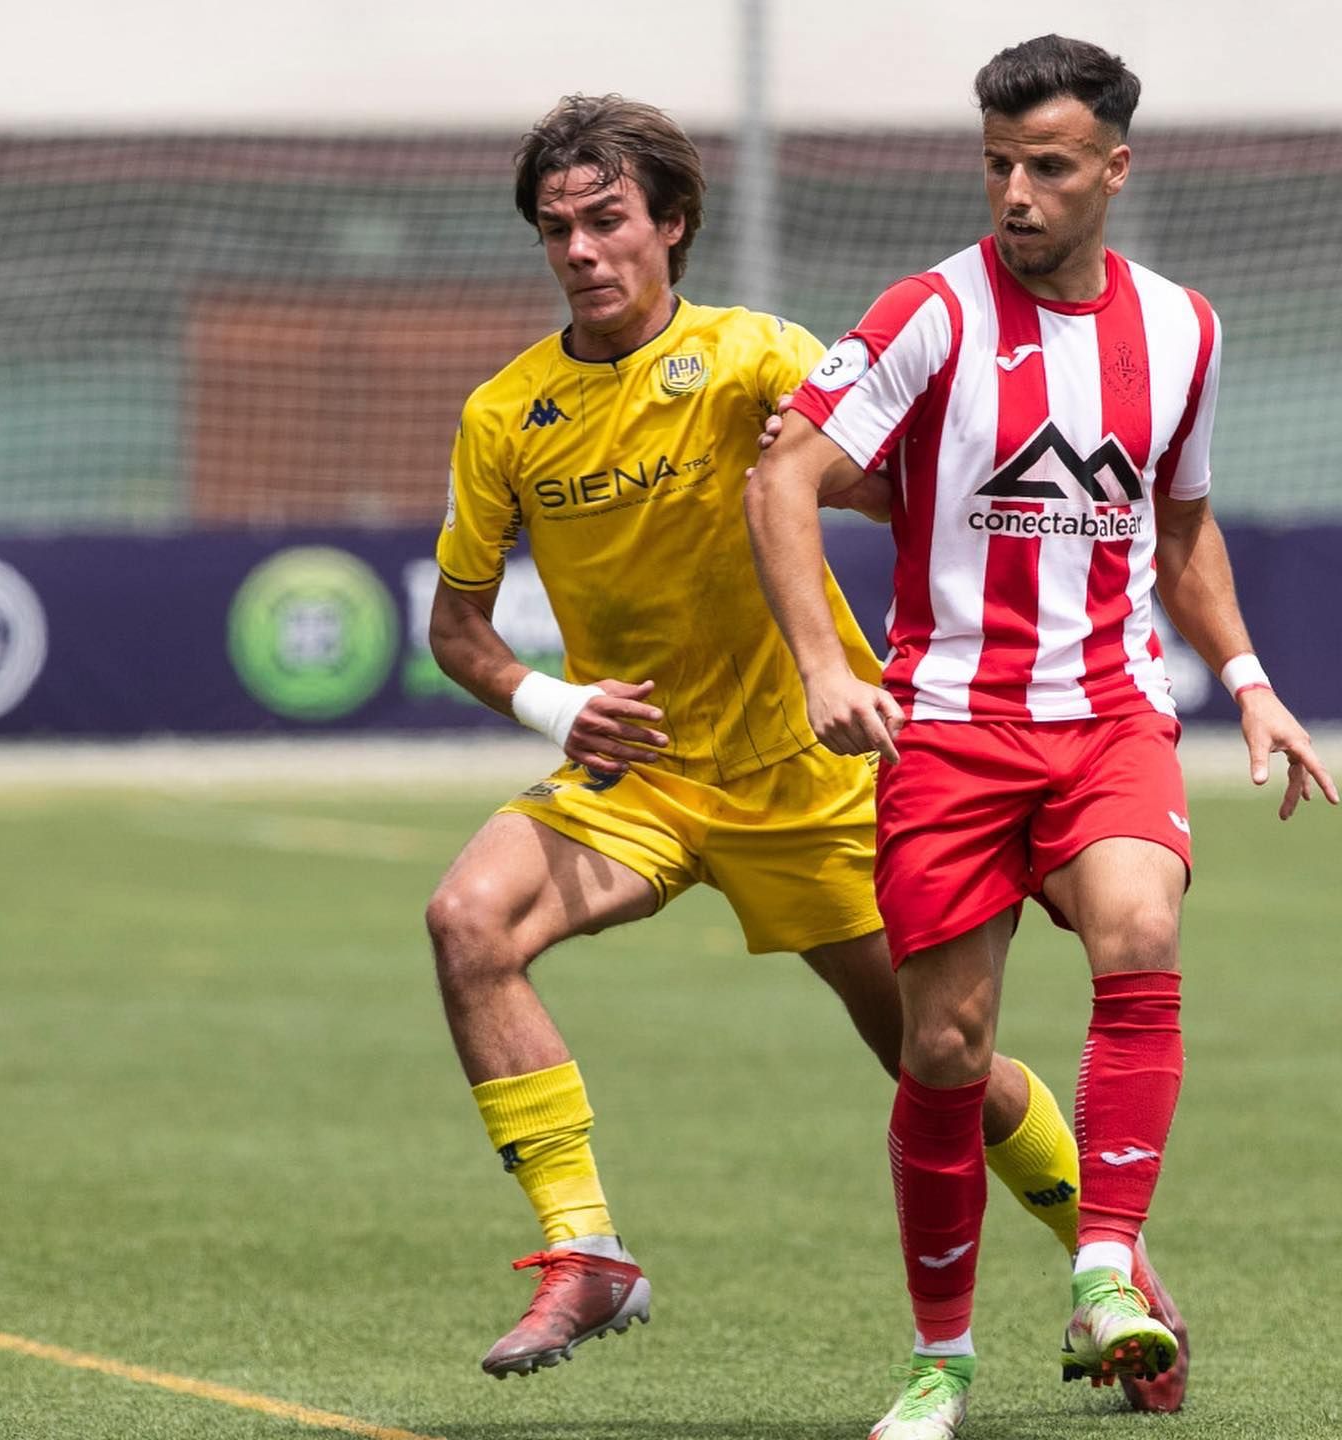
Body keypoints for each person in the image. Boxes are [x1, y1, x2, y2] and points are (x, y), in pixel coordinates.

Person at [423, 92, 1176, 1393]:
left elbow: (912, 481)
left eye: (608, 221)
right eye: (558, 232)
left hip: (812, 786)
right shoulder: (506, 415)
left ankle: (1105, 1261)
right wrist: (556, 705)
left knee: (940, 1062)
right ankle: (585, 1250)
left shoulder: (758, 356)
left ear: (670, 224)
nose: (582, 251)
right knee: (466, 920)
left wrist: (858, 497)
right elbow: (458, 630)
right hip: (635, 779)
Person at [746, 34, 1337, 1440]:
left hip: (1112, 717)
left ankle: (1103, 1269)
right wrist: (827, 666)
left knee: (1141, 926)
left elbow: (1175, 527)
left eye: (1050, 166)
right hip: (946, 729)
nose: (1018, 191)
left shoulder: (1183, 328)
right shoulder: (926, 317)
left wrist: (1247, 676)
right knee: (943, 1052)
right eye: (1000, 163)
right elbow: (785, 479)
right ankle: (938, 1362)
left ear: (1114, 171)